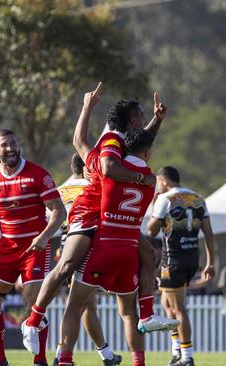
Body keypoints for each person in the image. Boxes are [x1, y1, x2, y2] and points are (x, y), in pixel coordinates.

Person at [23, 82, 176, 357]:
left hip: (109, 216)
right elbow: (110, 166)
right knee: (67, 265)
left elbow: (91, 143)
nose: (143, 119)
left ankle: (146, 315)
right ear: (130, 119)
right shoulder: (112, 141)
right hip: (89, 213)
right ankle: (33, 321)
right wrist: (143, 178)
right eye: (141, 114)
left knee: (147, 253)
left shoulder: (121, 147)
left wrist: (157, 120)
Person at [58, 125, 156, 366]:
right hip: (125, 247)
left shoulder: (69, 187)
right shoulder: (148, 180)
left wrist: (87, 107)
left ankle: (65, 359)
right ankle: (132, 358)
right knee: (127, 312)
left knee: (78, 305)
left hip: (90, 247)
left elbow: (79, 141)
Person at [0, 129, 67, 366]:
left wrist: (43, 238)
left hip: (35, 246)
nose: (10, 148)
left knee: (33, 301)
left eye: (13, 143)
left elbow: (59, 211)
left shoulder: (37, 175)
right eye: (4, 145)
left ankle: (39, 360)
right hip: (7, 247)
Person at [52, 153, 121, 365]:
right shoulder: (93, 188)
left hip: (66, 247)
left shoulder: (60, 191)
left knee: (86, 305)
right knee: (76, 304)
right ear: (87, 167)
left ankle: (106, 355)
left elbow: (52, 222)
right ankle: (61, 357)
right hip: (87, 247)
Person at [146, 165, 216, 366]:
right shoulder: (198, 198)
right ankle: (177, 352)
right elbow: (209, 234)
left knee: (178, 309)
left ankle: (187, 357)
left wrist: (153, 207)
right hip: (192, 257)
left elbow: (151, 231)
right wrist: (210, 262)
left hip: (173, 259)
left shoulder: (164, 198)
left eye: (158, 182)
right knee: (166, 304)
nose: (157, 186)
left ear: (164, 180)